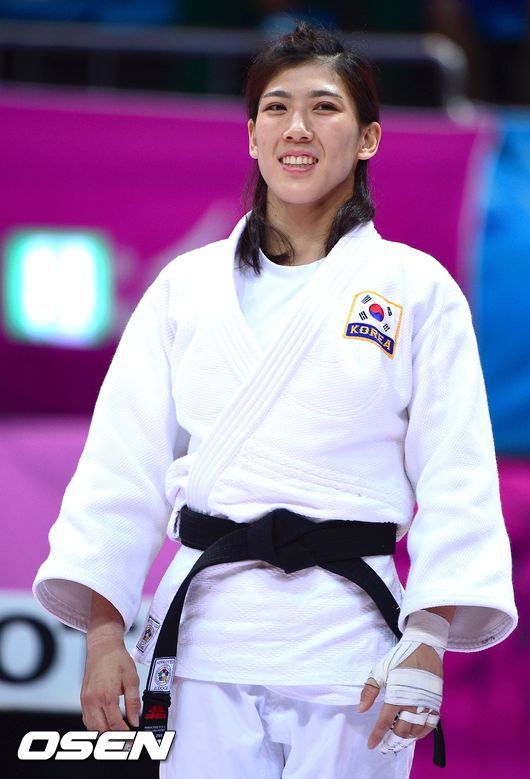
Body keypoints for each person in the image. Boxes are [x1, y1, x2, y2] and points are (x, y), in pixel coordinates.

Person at [33, 22, 517, 779]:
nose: (297, 128)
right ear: (252, 136)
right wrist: (102, 636)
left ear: (368, 138)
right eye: (276, 108)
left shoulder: (416, 289)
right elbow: (119, 467)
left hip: (353, 646)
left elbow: (458, 475)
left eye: (324, 107)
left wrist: (425, 642)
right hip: (207, 643)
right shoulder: (186, 287)